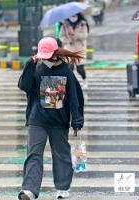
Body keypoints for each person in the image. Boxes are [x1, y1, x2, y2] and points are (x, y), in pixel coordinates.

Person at [17, 37, 84, 200]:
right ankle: (29, 190)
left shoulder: (66, 71)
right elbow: (23, 86)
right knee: (34, 154)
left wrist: (77, 119)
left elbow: (74, 98)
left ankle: (62, 188)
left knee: (61, 154)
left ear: (55, 52)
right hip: (37, 120)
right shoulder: (36, 68)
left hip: (59, 122)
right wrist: (29, 64)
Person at [59, 13, 89, 88]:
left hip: (80, 48)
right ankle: (70, 84)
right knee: (70, 68)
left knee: (80, 68)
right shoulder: (65, 24)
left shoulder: (82, 23)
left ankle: (84, 80)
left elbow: (85, 36)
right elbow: (61, 36)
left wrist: (74, 34)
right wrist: (67, 40)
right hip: (69, 48)